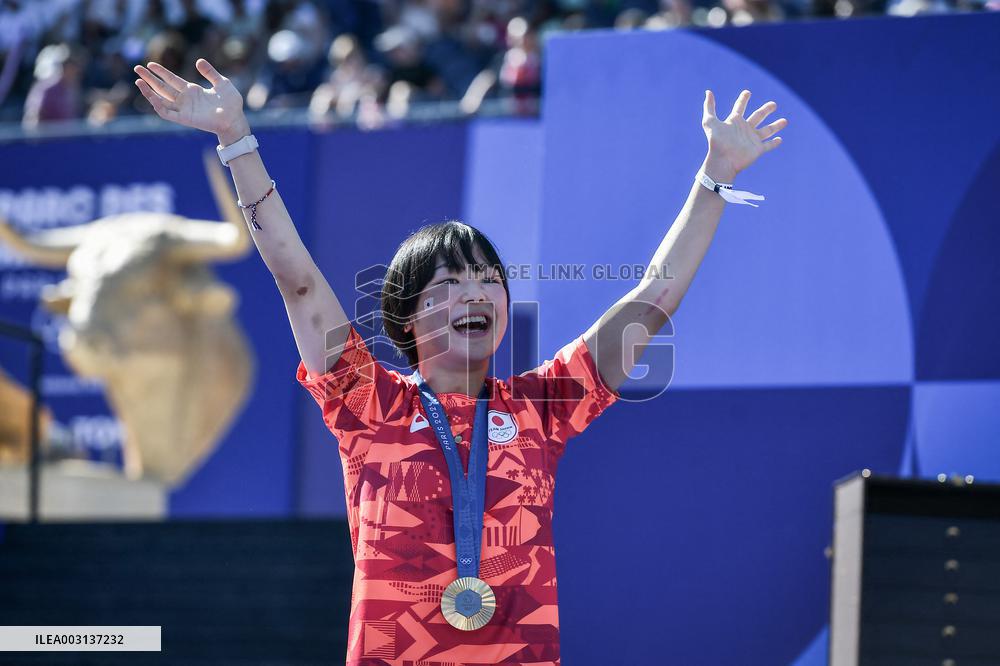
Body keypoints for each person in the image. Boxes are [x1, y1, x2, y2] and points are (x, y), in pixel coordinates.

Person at [133, 57, 787, 664]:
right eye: (448, 285)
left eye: (487, 280)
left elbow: (654, 295)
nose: (475, 293)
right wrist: (237, 141)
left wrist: (715, 177)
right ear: (407, 315)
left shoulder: (544, 408)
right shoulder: (366, 401)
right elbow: (297, 280)